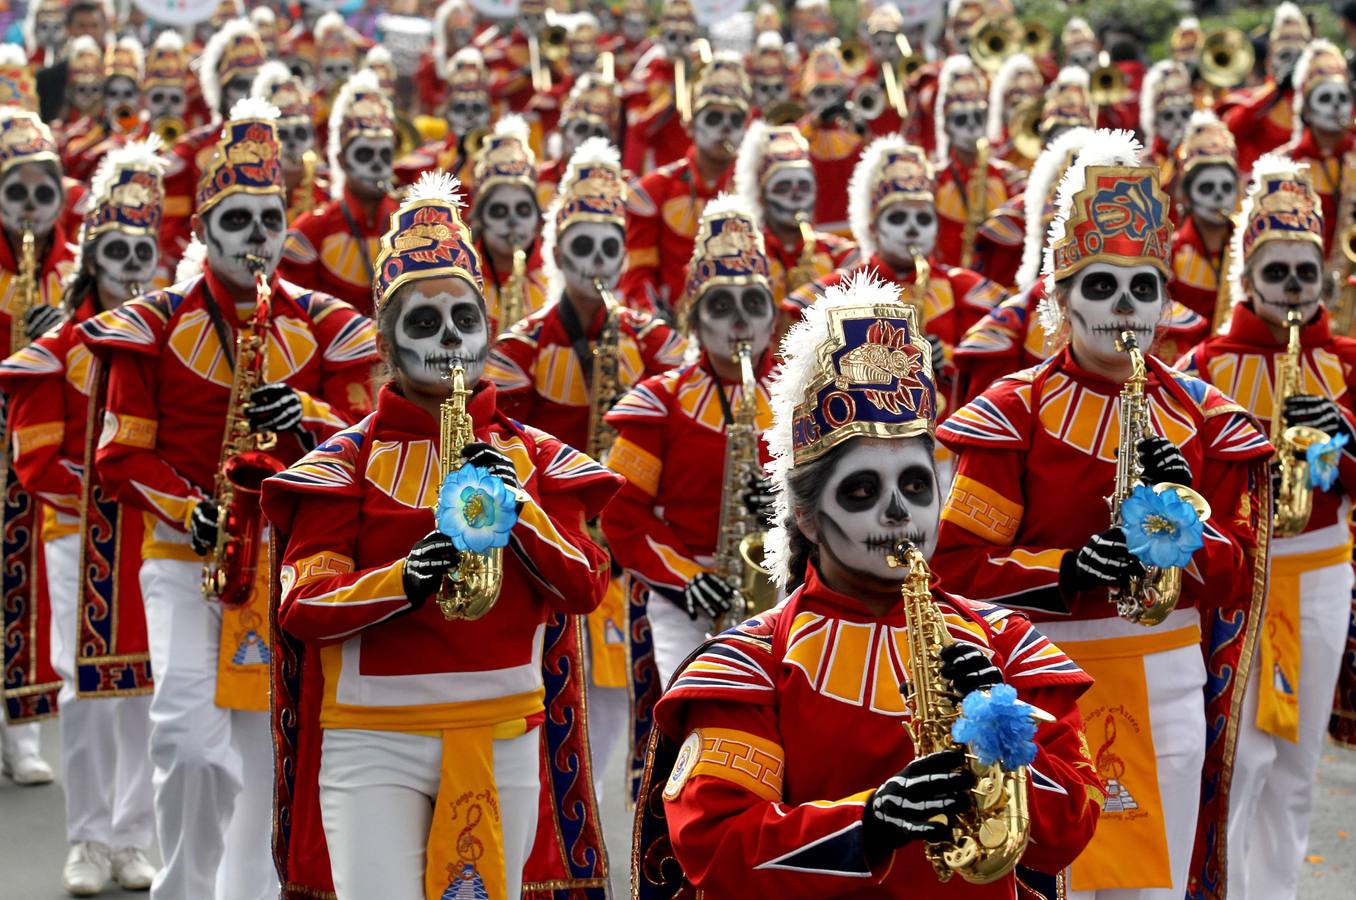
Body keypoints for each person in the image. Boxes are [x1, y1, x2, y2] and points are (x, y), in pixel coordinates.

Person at [631, 269, 1102, 897]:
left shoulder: (1006, 645)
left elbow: (1071, 825)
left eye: (915, 485)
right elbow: (715, 844)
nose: (898, 513)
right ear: (806, 515)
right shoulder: (752, 666)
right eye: (861, 490)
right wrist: (869, 825)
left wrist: (1006, 724)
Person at [933, 129, 1273, 899]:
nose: (1123, 306)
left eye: (1142, 287)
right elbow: (956, 568)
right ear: (1060, 297)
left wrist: (1186, 507)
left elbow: (1241, 577)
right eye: (1101, 286)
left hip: (1165, 681)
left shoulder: (1207, 420)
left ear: (1166, 301)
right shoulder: (1013, 414)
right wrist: (1066, 569)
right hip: (1042, 683)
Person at [262, 170, 617, 900]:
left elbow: (584, 585)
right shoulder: (345, 462)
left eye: (464, 321)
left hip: (504, 732)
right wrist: (404, 579)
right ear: (388, 342)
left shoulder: (537, 457)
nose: (449, 340)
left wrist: (519, 507)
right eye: (424, 325)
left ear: (488, 331)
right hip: (373, 740)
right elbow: (301, 604)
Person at [79, 97, 378, 900]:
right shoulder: (155, 322)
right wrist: (188, 508)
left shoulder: (324, 325)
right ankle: (182, 889)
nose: (256, 236)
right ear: (204, 231)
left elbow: (365, 436)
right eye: (237, 220)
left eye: (269, 219)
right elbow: (119, 455)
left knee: (259, 756)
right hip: (183, 558)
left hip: (281, 567)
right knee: (187, 737)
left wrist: (309, 417)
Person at [1177, 156, 1356, 900]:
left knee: (1294, 763)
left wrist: (1342, 439)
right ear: (1245, 275)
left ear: (1325, 277)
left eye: (1303, 271)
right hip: (1241, 578)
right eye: (1275, 270)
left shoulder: (1348, 362)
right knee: (1240, 763)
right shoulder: (1204, 365)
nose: (1290, 286)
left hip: (1318, 570)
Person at [0, 137, 164, 896]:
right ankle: (87, 839)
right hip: (78, 534)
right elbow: (35, 459)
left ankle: (134, 837)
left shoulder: (172, 348)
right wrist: (107, 489)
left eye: (145, 250)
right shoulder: (58, 347)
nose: (133, 265)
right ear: (92, 259)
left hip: (155, 538)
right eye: (118, 250)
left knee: (145, 688)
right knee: (87, 686)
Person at [602, 194, 778, 683]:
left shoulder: (801, 398)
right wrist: (687, 578)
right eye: (720, 305)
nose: (739, 320)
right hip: (686, 598)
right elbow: (622, 514)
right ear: (694, 321)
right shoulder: (660, 399)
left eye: (753, 304)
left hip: (779, 587)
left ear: (772, 318)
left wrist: (786, 507)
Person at [789, 136, 1007, 421]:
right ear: (873, 228)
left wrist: (950, 358)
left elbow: (994, 374)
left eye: (924, 219)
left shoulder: (964, 288)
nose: (912, 230)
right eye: (897, 218)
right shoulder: (837, 290)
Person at [619, 53, 751, 316]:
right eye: (713, 118)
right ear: (690, 126)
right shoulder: (656, 188)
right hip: (672, 323)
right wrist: (655, 321)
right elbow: (637, 271)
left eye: (735, 120)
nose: (725, 128)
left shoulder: (755, 189)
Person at [279, 68, 397, 317]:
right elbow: (293, 317)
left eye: (384, 154)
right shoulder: (312, 230)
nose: (377, 165)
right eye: (364, 154)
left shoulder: (414, 225)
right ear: (342, 159)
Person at [159, 17, 267, 261]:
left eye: (256, 82)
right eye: (241, 84)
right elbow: (171, 228)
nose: (250, 92)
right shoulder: (191, 149)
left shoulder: (283, 144)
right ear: (221, 88)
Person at [733, 121, 858, 311]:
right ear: (761, 196)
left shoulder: (836, 251)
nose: (795, 195)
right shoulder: (740, 253)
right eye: (783, 187)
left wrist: (810, 293)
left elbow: (873, 269)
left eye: (804, 186)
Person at [932, 54, 1025, 270]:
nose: (972, 127)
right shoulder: (933, 180)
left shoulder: (1011, 177)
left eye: (978, 117)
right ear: (946, 127)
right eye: (961, 120)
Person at [466, 115, 549, 334]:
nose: (513, 222)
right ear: (480, 218)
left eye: (523, 210)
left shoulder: (557, 278)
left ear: (537, 219)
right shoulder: (459, 276)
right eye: (499, 211)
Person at [1277, 39, 1354, 257]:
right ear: (1307, 110)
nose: (1336, 106)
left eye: (1342, 97)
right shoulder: (1285, 163)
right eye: (1326, 98)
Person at [1221, 3, 1311, 176]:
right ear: (1271, 51)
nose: (1291, 44)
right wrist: (1276, 89)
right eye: (1284, 39)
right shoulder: (1252, 97)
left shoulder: (1320, 98)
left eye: (1297, 38)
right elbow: (1230, 128)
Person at [1169, 112, 1240, 325]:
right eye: (1207, 188)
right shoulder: (1170, 252)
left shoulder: (1249, 245)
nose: (1218, 197)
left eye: (1226, 188)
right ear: (1187, 196)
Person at [250, 61, 329, 225]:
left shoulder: (327, 189)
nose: (293, 144)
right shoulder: (247, 188)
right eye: (282, 134)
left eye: (300, 132)